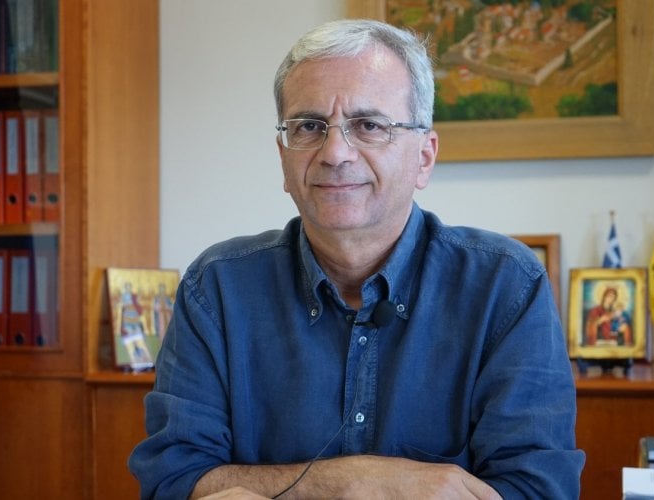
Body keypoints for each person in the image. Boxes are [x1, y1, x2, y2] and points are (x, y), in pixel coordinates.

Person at [129, 19, 584, 499]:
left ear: (424, 157)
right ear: (283, 156)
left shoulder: (506, 287)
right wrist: (349, 482)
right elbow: (172, 480)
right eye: (309, 127)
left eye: (369, 125)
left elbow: (540, 488)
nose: (335, 153)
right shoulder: (217, 288)